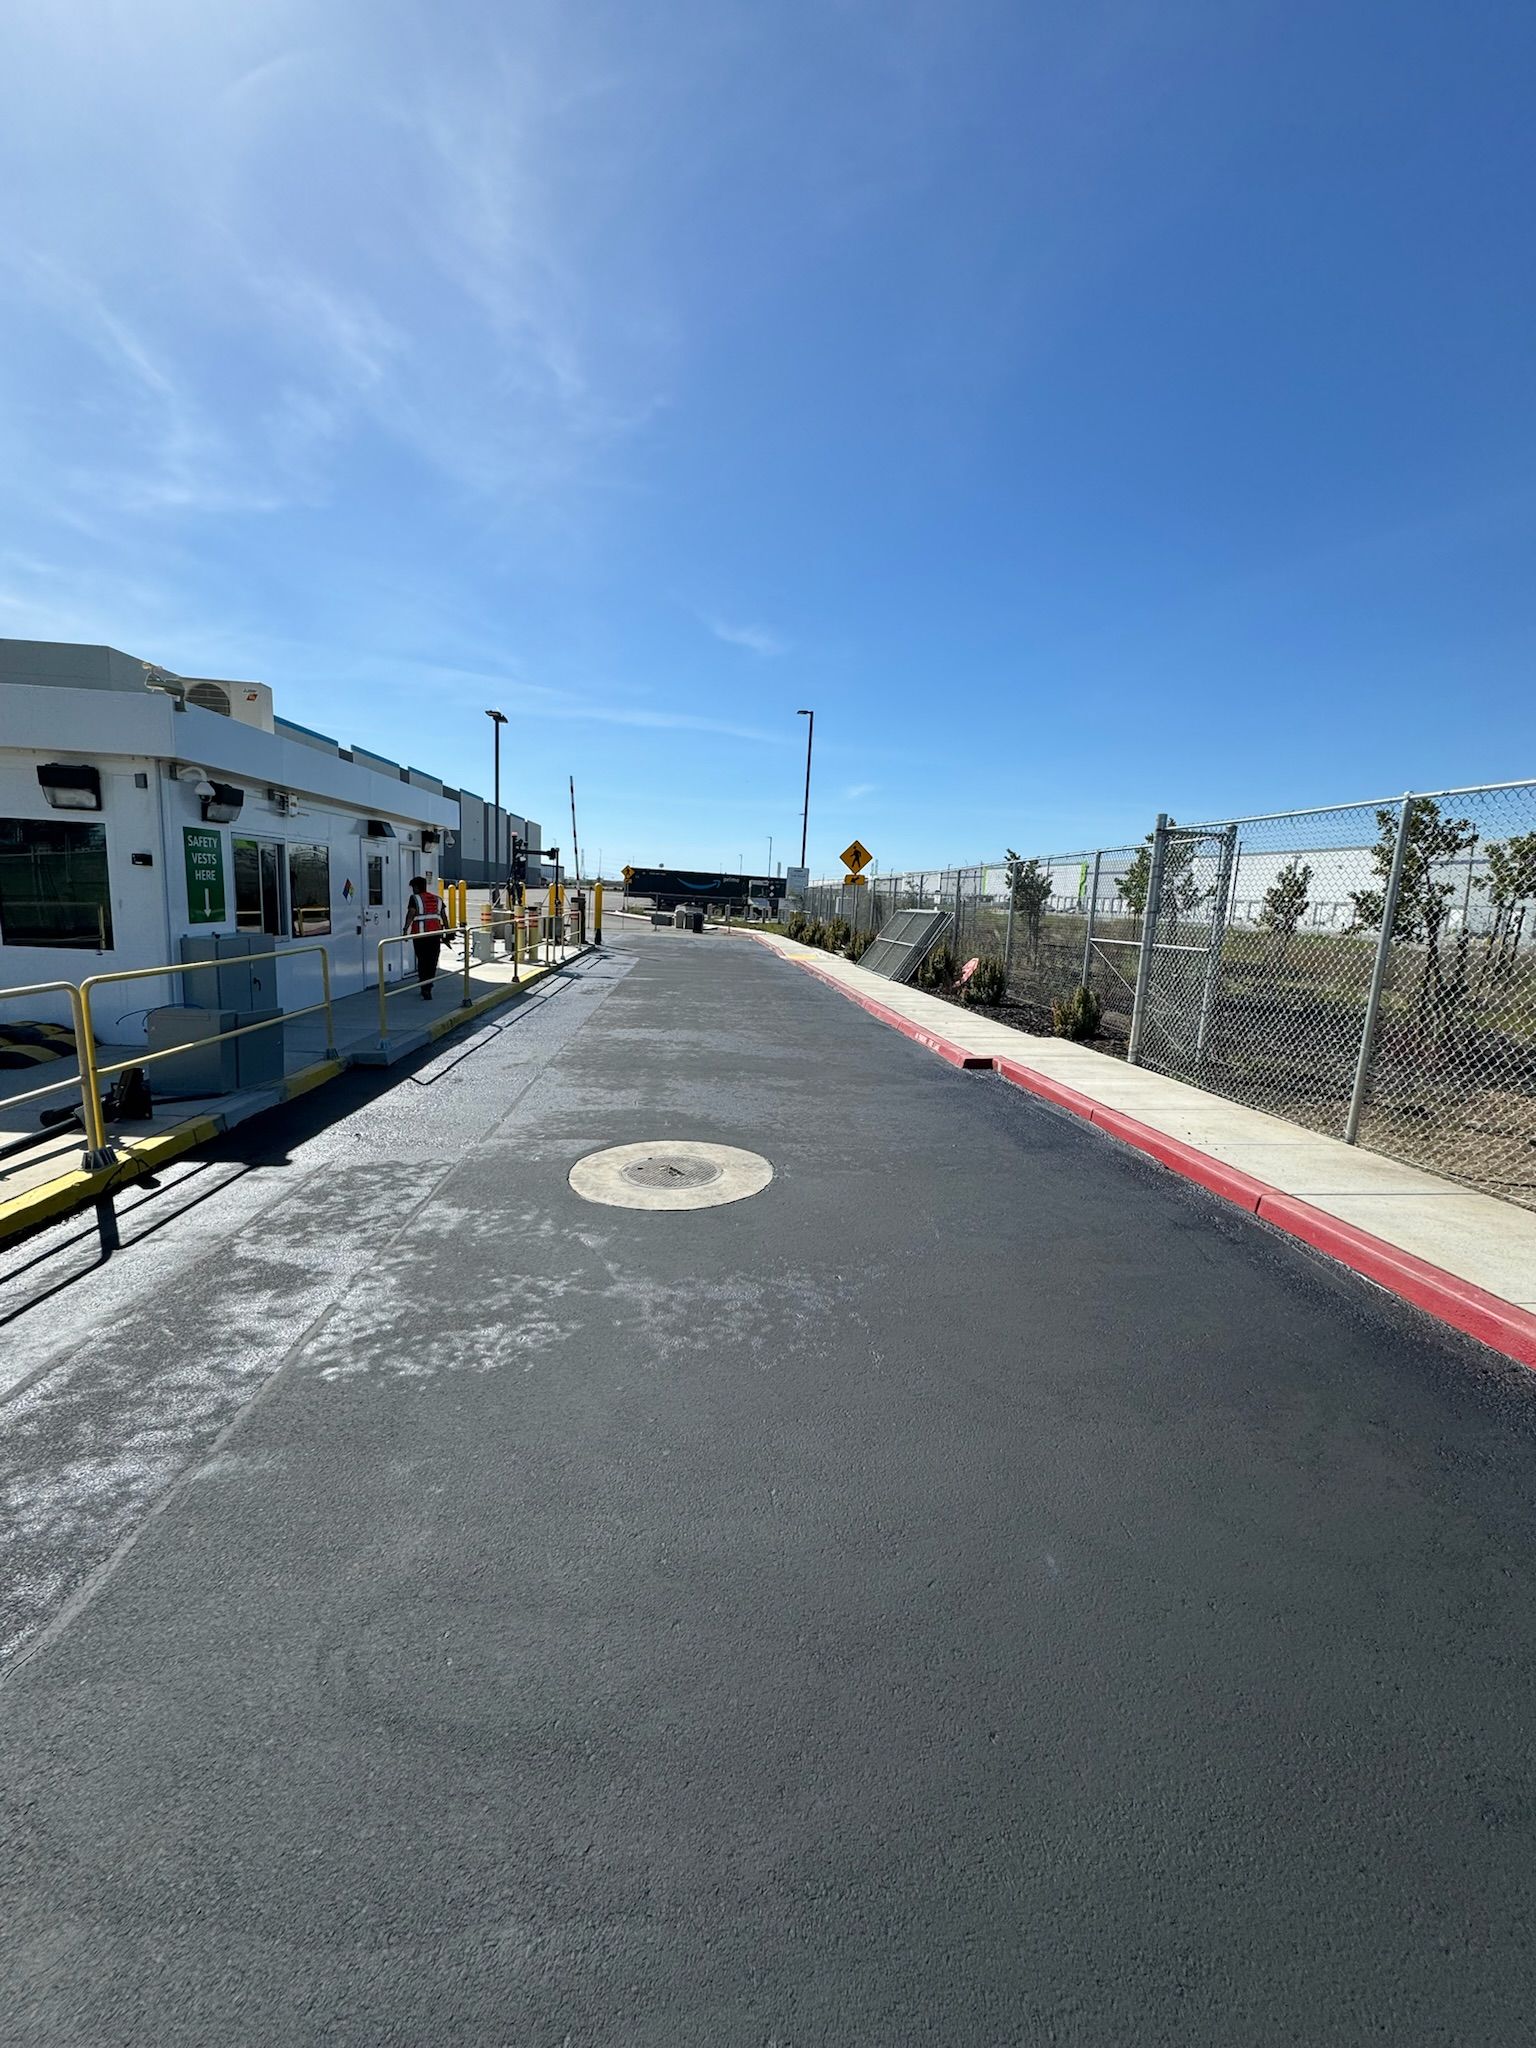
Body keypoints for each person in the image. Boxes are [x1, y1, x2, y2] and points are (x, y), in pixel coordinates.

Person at [404, 874, 445, 1000]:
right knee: (432, 960)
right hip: (435, 935)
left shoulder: (415, 899)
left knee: (422, 961)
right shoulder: (437, 899)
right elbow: (444, 915)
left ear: (416, 887)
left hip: (420, 936)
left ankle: (424, 986)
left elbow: (411, 914)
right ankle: (428, 984)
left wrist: (405, 930)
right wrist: (448, 931)